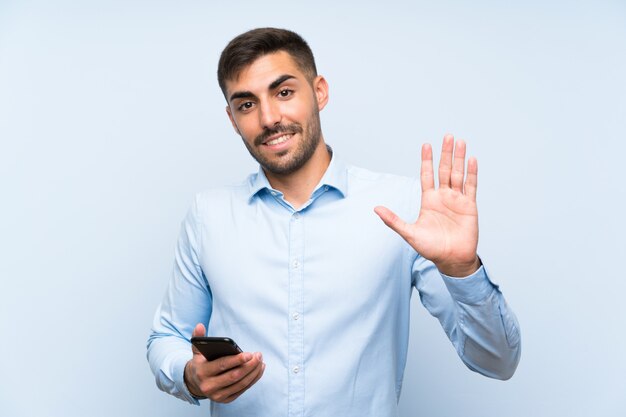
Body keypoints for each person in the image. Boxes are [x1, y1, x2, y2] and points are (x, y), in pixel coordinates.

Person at [147, 27, 521, 417]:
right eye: (246, 105)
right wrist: (189, 375)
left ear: (320, 91)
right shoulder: (208, 216)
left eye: (284, 92)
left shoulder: (404, 207)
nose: (269, 118)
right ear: (232, 118)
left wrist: (463, 270)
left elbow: (498, 362)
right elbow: (166, 338)